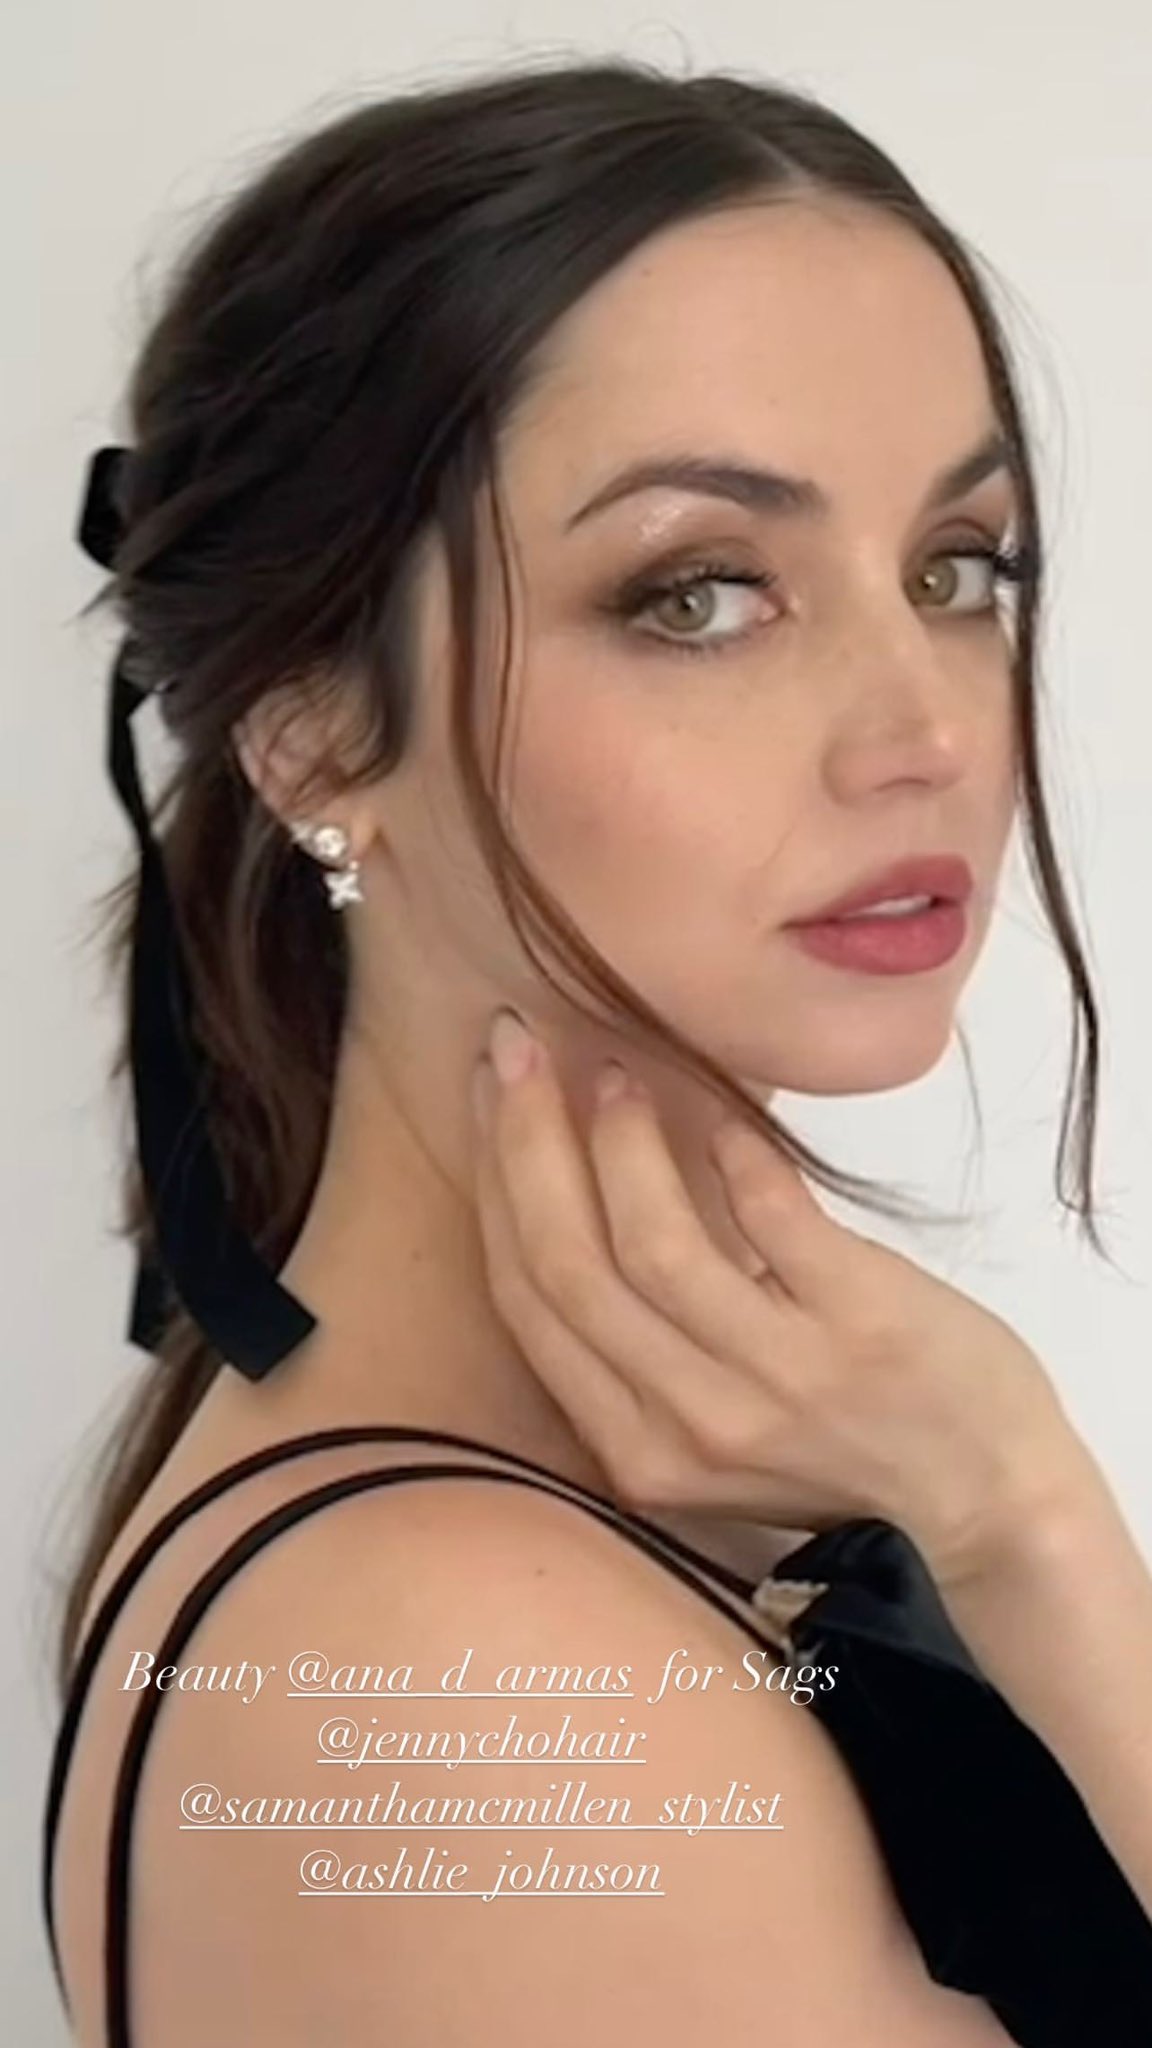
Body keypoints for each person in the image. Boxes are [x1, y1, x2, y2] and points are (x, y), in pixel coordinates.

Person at [40, 54, 1152, 2048]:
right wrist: (1025, 1518)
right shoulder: (468, 1684)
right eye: (701, 593)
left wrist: (1017, 1519)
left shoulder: (589, 1524)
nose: (925, 729)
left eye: (955, 568)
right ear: (313, 730)